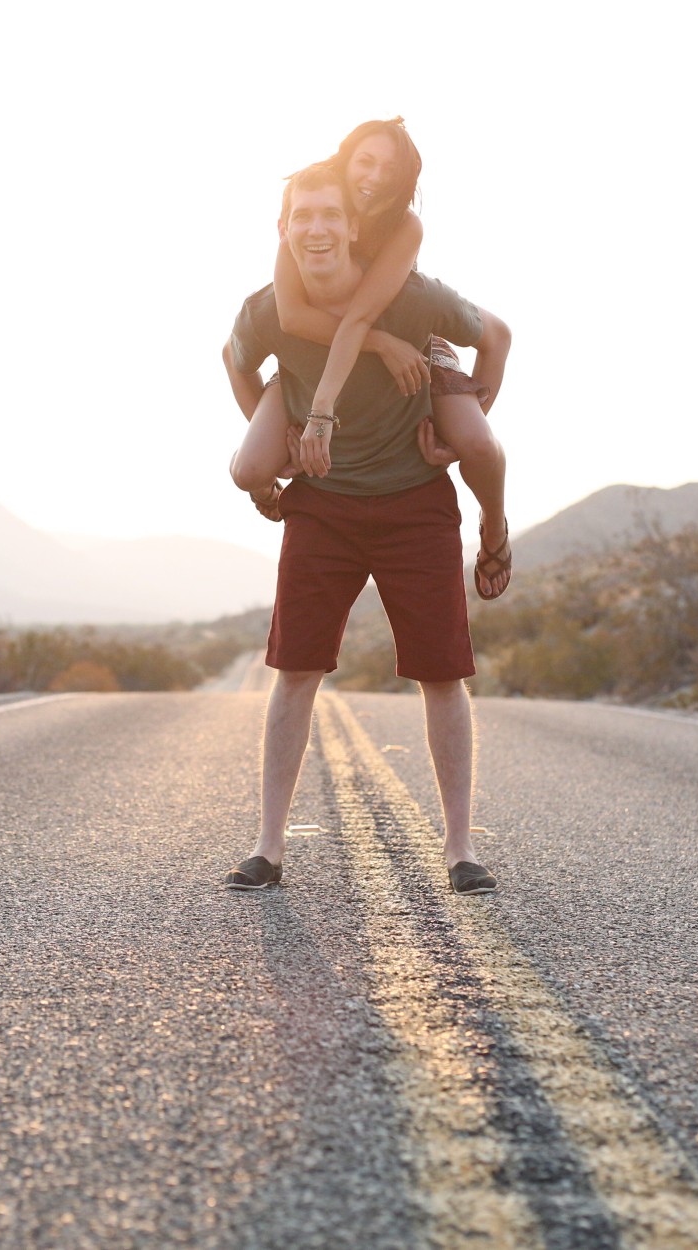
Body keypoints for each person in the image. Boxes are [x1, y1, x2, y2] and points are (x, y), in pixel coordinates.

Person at [219, 159, 512, 896]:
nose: (316, 228)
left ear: (353, 226)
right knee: (294, 672)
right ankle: (268, 846)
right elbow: (233, 358)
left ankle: (459, 846)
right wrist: (277, 424)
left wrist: (467, 417)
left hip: (416, 502)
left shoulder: (412, 299)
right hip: (323, 505)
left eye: (330, 215)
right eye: (301, 216)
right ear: (283, 229)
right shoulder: (264, 309)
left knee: (441, 673)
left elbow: (495, 333)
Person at [226, 118, 514, 599]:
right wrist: (377, 348)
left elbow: (363, 317)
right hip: (329, 347)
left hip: (411, 337)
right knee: (249, 468)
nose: (376, 176)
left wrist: (455, 432)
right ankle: (266, 491)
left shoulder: (404, 226)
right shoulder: (311, 206)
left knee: (479, 446)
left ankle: (494, 527)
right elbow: (294, 318)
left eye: (390, 167)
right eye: (365, 161)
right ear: (344, 159)